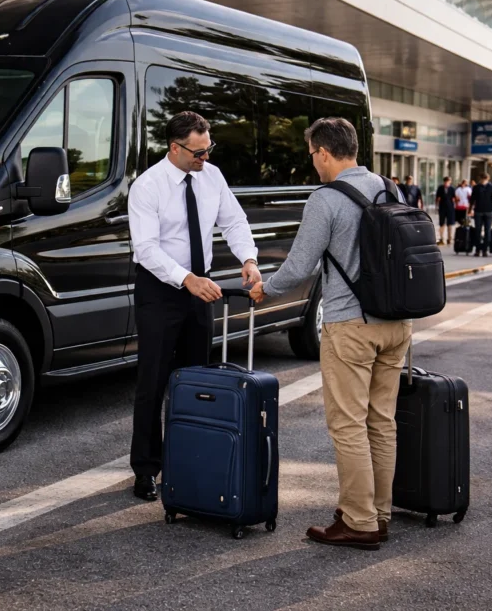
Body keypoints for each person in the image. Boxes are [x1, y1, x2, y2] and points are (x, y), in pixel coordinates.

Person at [249, 117, 410, 551]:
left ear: (323, 152)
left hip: (351, 325)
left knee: (348, 424)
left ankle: (358, 522)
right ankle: (378, 513)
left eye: (312, 156)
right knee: (381, 422)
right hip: (396, 323)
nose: (313, 164)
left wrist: (266, 287)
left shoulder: (325, 198)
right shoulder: (388, 188)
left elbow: (300, 265)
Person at [127, 111, 260, 501]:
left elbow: (234, 221)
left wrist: (248, 259)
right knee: (152, 381)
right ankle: (146, 470)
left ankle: (188, 463)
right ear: (175, 147)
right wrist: (186, 278)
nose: (204, 158)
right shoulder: (148, 186)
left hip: (202, 289)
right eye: (198, 153)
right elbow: (146, 249)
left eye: (208, 150)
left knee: (195, 381)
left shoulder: (212, 176)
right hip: (161, 289)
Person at [468, 173, 492, 258]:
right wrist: (470, 210)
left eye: (484, 178)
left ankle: (484, 250)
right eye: (482, 178)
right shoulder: (476, 187)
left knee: (487, 231)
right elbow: (472, 200)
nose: (483, 180)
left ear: (488, 179)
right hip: (479, 211)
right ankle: (479, 250)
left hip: (488, 211)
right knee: (478, 231)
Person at [434, 176, 456, 245]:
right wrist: (437, 206)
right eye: (446, 181)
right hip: (442, 207)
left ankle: (450, 238)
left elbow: (454, 198)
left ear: (450, 182)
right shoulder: (440, 188)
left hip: (450, 208)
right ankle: (442, 238)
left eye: (448, 181)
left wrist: (455, 205)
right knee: (442, 223)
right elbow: (437, 198)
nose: (447, 183)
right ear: (444, 182)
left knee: (450, 224)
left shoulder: (452, 189)